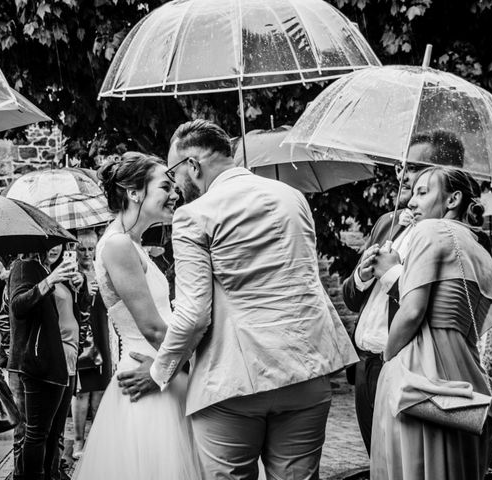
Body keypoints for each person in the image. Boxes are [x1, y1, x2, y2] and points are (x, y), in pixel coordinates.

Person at [118, 120, 358, 479]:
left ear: (193, 166)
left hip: (235, 382)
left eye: (174, 171)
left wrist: (159, 372)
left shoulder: (194, 216)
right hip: (308, 371)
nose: (176, 187)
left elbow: (194, 315)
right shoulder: (292, 198)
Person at [73, 152, 202, 480]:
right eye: (165, 187)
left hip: (162, 370)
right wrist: (193, 366)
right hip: (150, 377)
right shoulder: (117, 246)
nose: (175, 195)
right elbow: (155, 330)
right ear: (134, 192)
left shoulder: (132, 244)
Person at [370, 167, 492, 480]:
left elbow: (414, 312)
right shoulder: (481, 251)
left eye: (423, 191)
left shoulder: (430, 231)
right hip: (464, 377)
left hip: (420, 376)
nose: (412, 202)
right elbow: (474, 322)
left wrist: (389, 357)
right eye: (413, 192)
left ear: (453, 198)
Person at [341, 131, 463, 453]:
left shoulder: (449, 237)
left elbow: (426, 309)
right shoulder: (386, 222)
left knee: (405, 461)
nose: (406, 174)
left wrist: (394, 273)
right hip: (365, 365)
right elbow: (352, 299)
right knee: (377, 460)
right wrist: (362, 275)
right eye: (403, 166)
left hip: (404, 365)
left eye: (417, 166)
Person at [8, 244, 88, 480]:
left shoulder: (54, 270)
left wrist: (80, 288)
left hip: (66, 359)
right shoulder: (24, 268)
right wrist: (49, 281)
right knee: (36, 433)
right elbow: (17, 306)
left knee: (56, 432)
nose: (54, 248)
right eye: (48, 243)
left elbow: (77, 311)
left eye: (58, 244)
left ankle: (52, 473)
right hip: (41, 361)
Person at [70, 229, 108, 460]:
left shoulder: (102, 270)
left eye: (90, 249)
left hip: (103, 332)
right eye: (81, 248)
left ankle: (97, 439)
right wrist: (84, 293)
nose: (86, 253)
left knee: (101, 388)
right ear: (75, 250)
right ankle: (78, 440)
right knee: (82, 391)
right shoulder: (72, 273)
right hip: (83, 335)